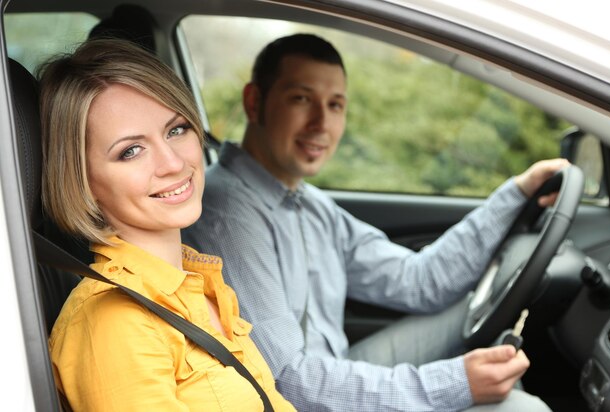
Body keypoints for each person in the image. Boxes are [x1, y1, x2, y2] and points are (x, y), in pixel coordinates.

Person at [182, 33, 566, 411]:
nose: (321, 123)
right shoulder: (226, 212)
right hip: (296, 399)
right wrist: (454, 384)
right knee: (521, 408)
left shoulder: (312, 205)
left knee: (470, 310)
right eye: (301, 99)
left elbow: (421, 280)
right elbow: (287, 381)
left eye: (336, 105)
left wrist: (515, 194)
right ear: (254, 102)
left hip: (333, 371)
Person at [39, 38, 295, 412]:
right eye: (131, 150)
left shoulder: (198, 283)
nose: (173, 163)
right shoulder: (115, 323)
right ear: (83, 182)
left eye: (176, 129)